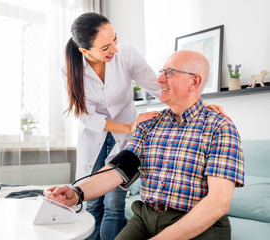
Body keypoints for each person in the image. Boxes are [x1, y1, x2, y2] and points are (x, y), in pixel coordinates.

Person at [47, 50, 244, 240]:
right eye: (162, 72)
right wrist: (76, 193)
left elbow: (218, 204)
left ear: (194, 81)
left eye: (169, 73)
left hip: (197, 223)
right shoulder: (149, 123)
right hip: (145, 216)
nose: (159, 80)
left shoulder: (220, 127)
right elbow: (118, 170)